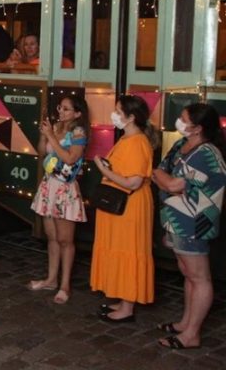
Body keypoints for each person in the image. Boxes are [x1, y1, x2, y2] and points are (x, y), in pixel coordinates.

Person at [151, 103, 226, 350]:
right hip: (175, 219)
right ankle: (186, 322)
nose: (179, 122)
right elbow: (159, 172)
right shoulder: (180, 145)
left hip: (194, 223)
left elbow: (171, 183)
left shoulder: (206, 154)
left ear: (198, 128)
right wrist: (166, 180)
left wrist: (166, 181)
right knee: (187, 272)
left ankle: (192, 333)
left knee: (199, 276)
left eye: (184, 119)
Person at [91, 94, 156, 322]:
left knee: (129, 250)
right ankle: (123, 299)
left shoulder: (138, 142)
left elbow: (133, 181)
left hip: (130, 205)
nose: (114, 115)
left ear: (130, 117)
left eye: (118, 111)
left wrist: (103, 170)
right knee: (118, 247)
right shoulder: (127, 139)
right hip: (121, 205)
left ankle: (127, 307)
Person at [28, 95, 89, 305]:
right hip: (49, 184)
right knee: (51, 237)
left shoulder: (78, 132)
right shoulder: (56, 127)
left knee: (65, 240)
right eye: (60, 108)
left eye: (66, 109)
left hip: (65, 188)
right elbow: (41, 152)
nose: (61, 112)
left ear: (77, 113)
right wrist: (45, 135)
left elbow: (71, 158)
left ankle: (65, 285)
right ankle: (51, 279)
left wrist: (51, 136)